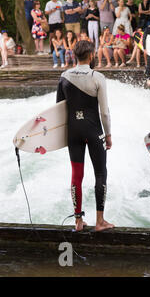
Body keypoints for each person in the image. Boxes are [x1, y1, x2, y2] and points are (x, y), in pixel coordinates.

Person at [56, 40, 114, 232]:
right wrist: (108, 135)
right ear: (90, 56)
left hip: (73, 132)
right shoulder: (97, 77)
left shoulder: (64, 77)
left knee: (76, 176)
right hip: (93, 131)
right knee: (100, 173)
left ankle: (78, 221)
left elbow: (58, 110)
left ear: (75, 56)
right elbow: (104, 112)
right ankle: (100, 221)